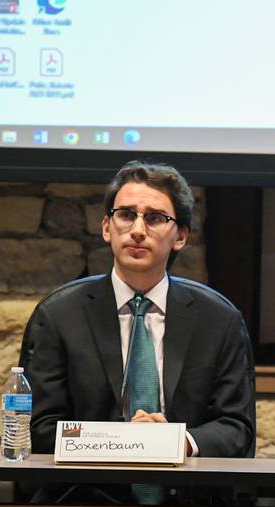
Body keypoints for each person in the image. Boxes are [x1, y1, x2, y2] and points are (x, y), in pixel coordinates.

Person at [26, 160, 255, 465]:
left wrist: (177, 442)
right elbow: (39, 428)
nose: (137, 230)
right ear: (107, 228)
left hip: (187, 500)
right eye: (125, 215)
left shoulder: (219, 320)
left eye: (155, 218)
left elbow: (237, 428)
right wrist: (125, 442)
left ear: (181, 237)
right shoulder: (59, 315)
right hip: (85, 497)